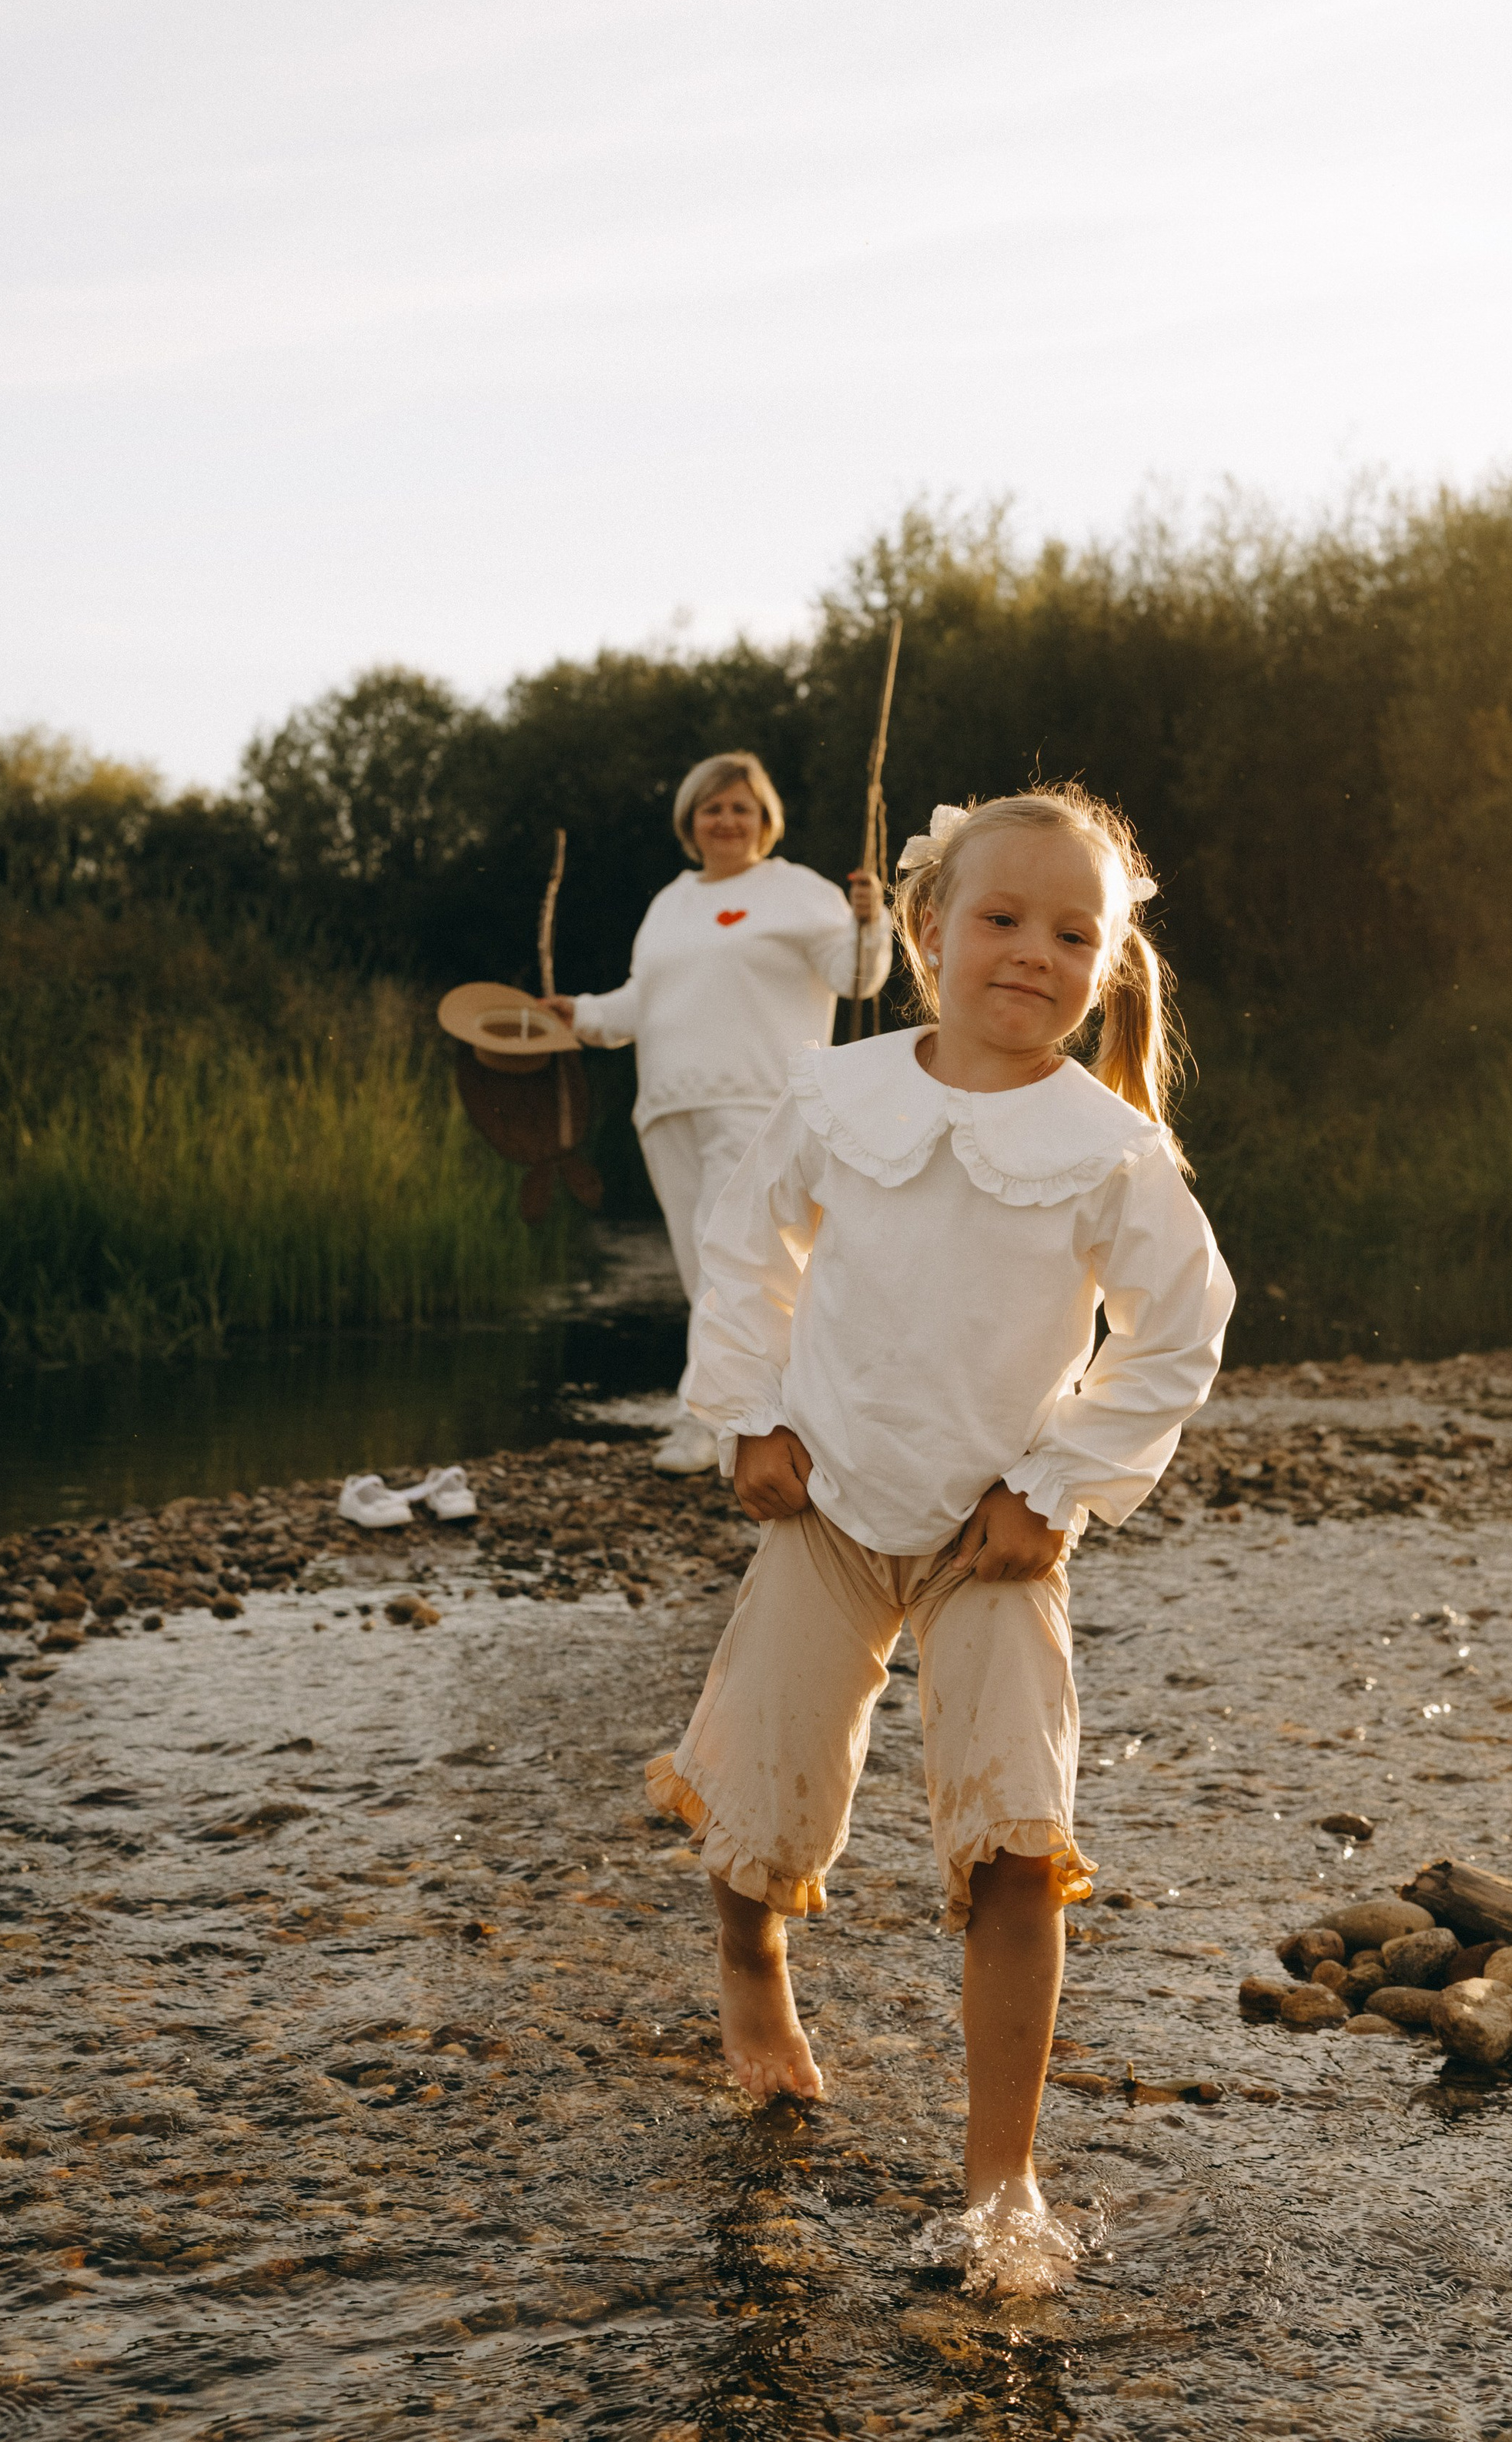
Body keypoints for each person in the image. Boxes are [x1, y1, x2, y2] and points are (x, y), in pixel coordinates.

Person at [644, 782, 1236, 2289]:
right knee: (760, 1789)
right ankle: (749, 1967)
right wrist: (749, 1417)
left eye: (1068, 931)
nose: (1030, 951)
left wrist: (1052, 1488)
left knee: (1016, 1845)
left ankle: (1000, 2182)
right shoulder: (835, 1092)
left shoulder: (1110, 1149)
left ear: (1105, 965)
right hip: (830, 1500)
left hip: (993, 1538)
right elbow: (741, 1243)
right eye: (999, 918)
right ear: (923, 929)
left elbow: (1176, 1334)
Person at [549, 750, 889, 1473]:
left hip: (762, 1100)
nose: (727, 819)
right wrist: (575, 1013)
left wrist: (874, 920)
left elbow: (856, 975)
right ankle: (770, 1415)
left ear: (766, 820)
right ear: (690, 822)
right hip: (669, 1106)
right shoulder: (670, 903)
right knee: (701, 1266)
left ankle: (707, 1423)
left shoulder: (799, 891)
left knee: (725, 1259)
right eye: (713, 807)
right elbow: (640, 1003)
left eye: (741, 807)